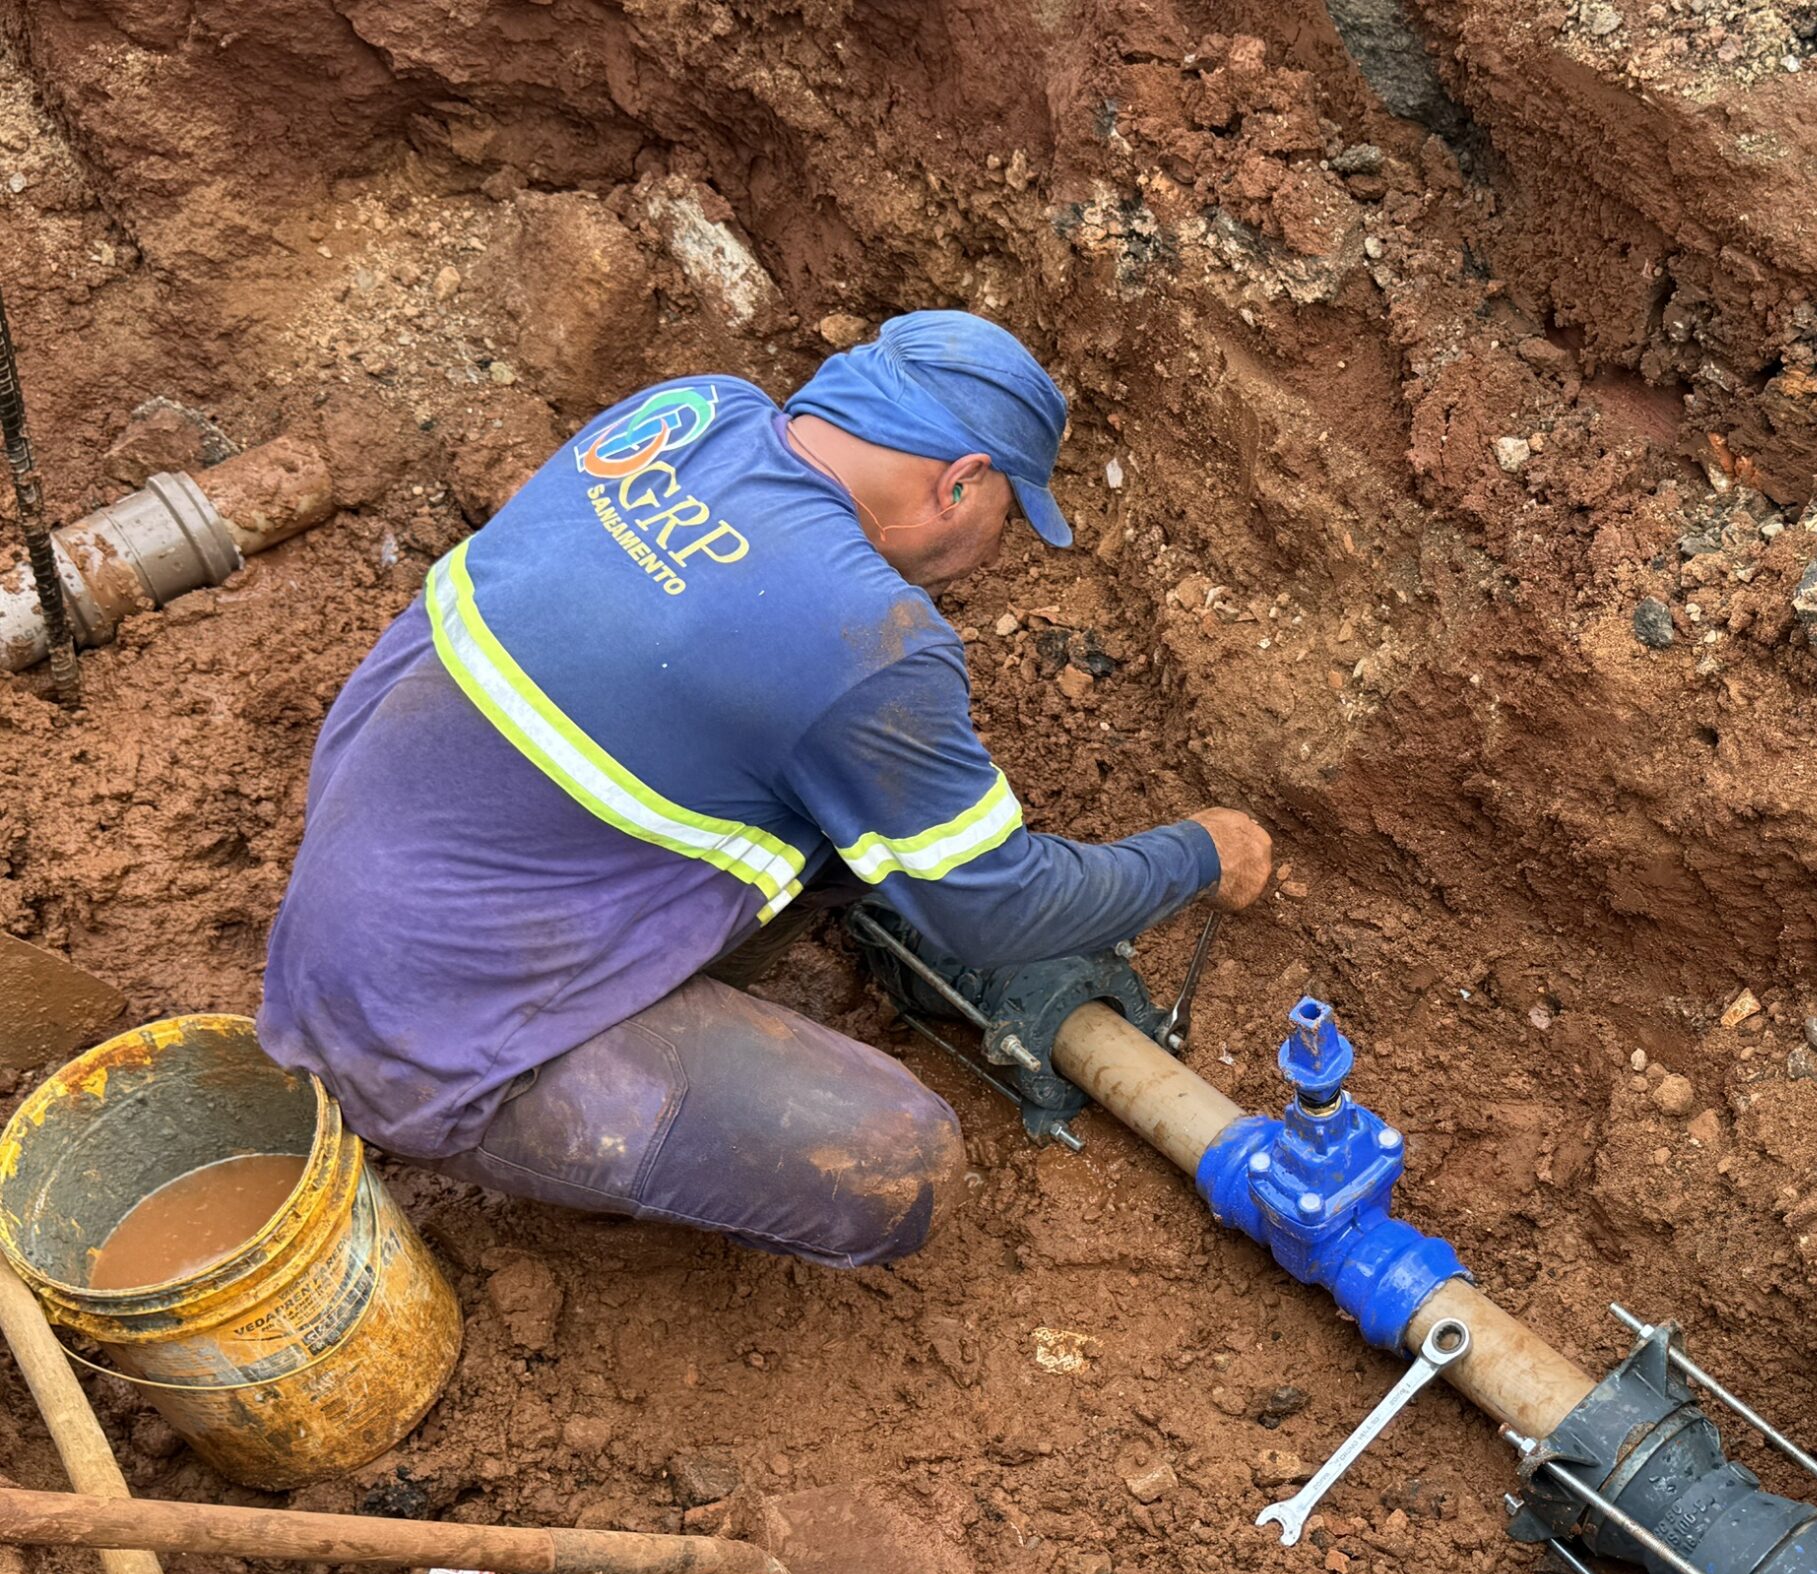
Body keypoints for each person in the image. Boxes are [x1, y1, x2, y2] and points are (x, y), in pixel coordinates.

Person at [258, 311, 1270, 1267]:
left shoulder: (693, 411)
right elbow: (1002, 911)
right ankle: (538, 1127)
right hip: (430, 1043)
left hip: (354, 906)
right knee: (896, 1165)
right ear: (959, 483)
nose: (997, 549)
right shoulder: (863, 638)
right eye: (1008, 515)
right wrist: (1198, 852)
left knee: (841, 804)